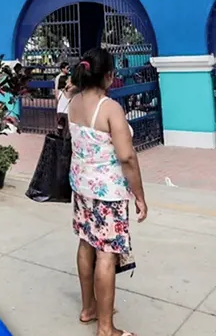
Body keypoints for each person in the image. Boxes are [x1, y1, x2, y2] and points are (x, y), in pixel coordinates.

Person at [67, 47, 147, 335]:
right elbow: (127, 157)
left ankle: (88, 308)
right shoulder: (111, 108)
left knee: (86, 243)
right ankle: (106, 328)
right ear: (110, 76)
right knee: (107, 254)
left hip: (81, 187)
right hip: (108, 194)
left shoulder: (73, 102)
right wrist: (140, 195)